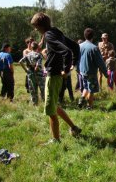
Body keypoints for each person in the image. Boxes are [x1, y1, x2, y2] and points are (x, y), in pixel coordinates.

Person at [30, 12, 81, 144]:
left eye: (36, 27)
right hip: (56, 75)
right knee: (54, 105)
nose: (35, 29)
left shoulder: (48, 35)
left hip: (54, 75)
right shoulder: (56, 31)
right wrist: (72, 65)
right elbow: (75, 47)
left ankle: (55, 140)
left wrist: (66, 69)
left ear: (40, 26)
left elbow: (67, 51)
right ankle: (74, 127)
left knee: (50, 110)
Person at [78, 28, 108, 110]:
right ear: (93, 36)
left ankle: (82, 99)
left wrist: (78, 69)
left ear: (84, 36)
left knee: (85, 87)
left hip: (82, 72)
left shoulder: (80, 46)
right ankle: (89, 106)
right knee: (91, 90)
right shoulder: (94, 48)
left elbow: (77, 59)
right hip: (91, 72)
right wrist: (106, 73)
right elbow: (100, 62)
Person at [19, 41, 45, 105]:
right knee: (43, 90)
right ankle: (45, 104)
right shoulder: (39, 55)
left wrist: (26, 70)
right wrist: (36, 68)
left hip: (30, 74)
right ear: (37, 47)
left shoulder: (28, 55)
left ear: (31, 47)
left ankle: (35, 104)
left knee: (33, 90)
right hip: (39, 75)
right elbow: (37, 66)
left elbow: (20, 62)